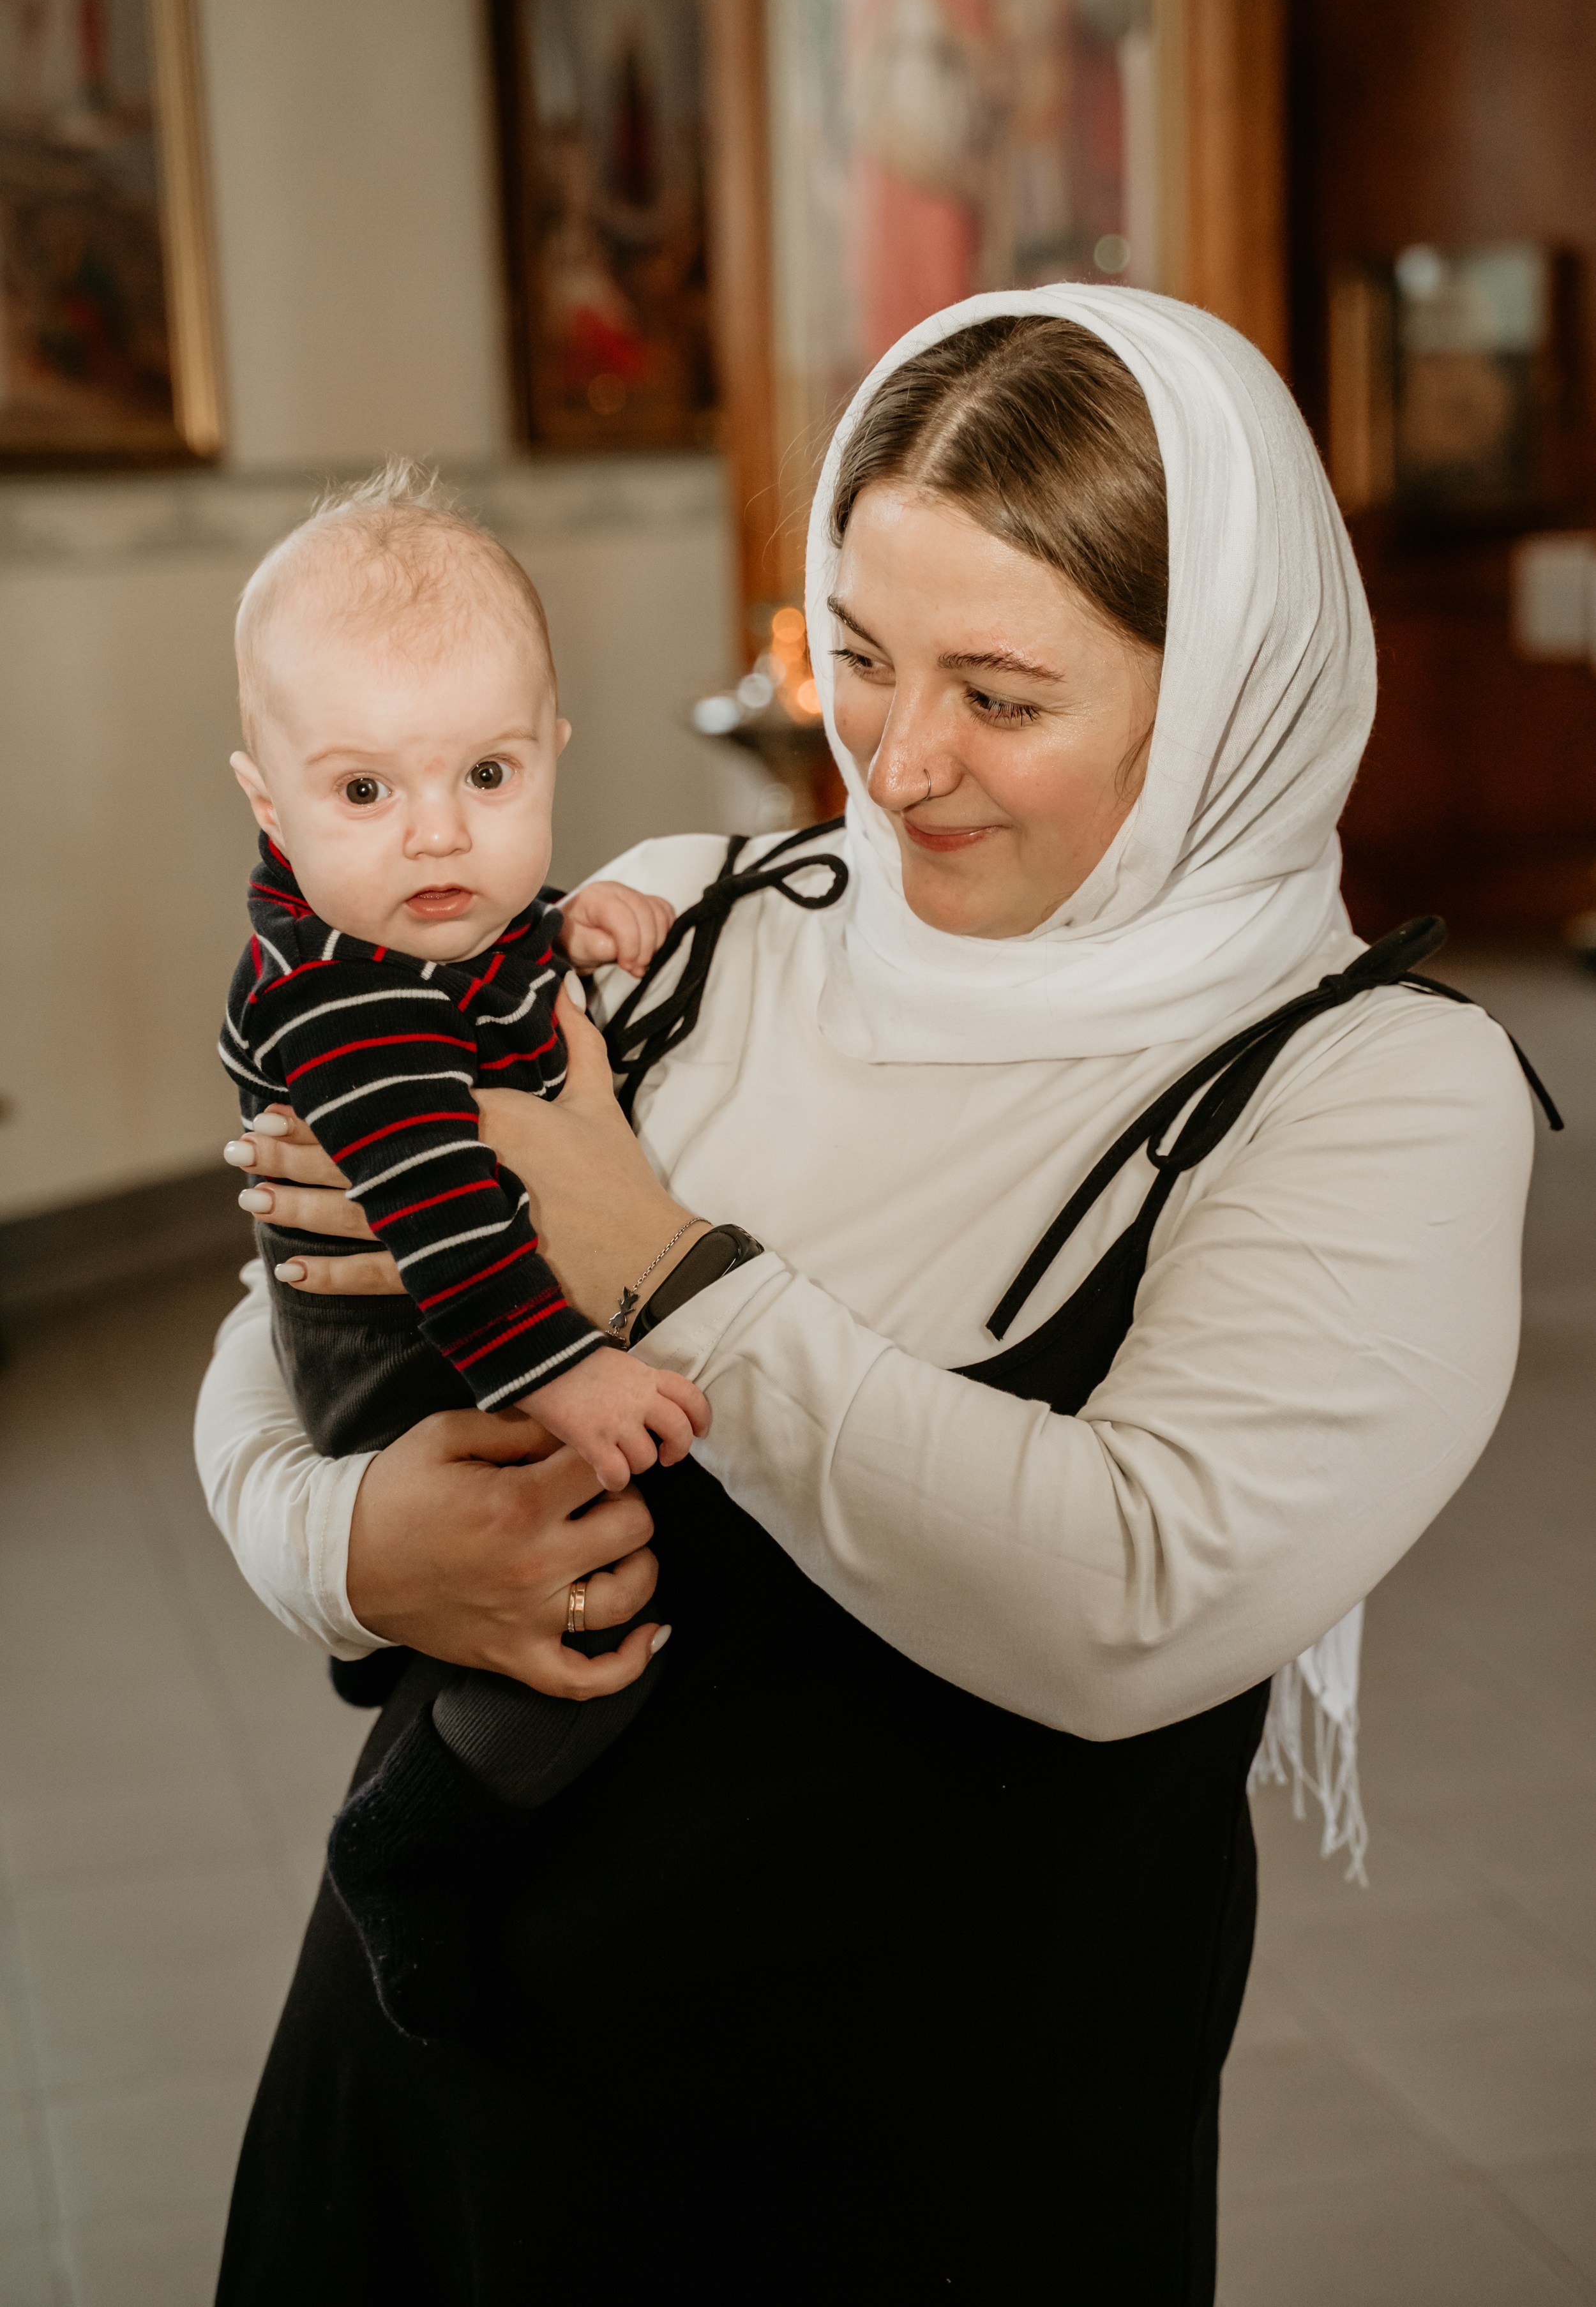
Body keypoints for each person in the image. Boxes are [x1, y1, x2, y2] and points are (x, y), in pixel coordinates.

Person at [197, 292, 1539, 2303]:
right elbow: (281, 1322)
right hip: (438, 2094)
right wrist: (357, 1546)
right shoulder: (684, 913)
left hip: (925, 2168)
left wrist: (655, 1261)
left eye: (1001, 693)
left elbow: (1126, 1593)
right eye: (852, 655)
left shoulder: (1371, 1086)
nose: (898, 764)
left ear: (1227, 693)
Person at [218, 462, 710, 2033]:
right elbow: (437, 1203)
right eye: (365, 793)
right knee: (586, 1608)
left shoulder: (427, 912)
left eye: (489, 779)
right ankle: (410, 1839)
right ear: (269, 801)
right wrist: (564, 1370)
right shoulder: (338, 991)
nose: (439, 836)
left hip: (469, 1302)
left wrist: (563, 924)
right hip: (408, 1348)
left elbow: (486, 955)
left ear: (552, 751)